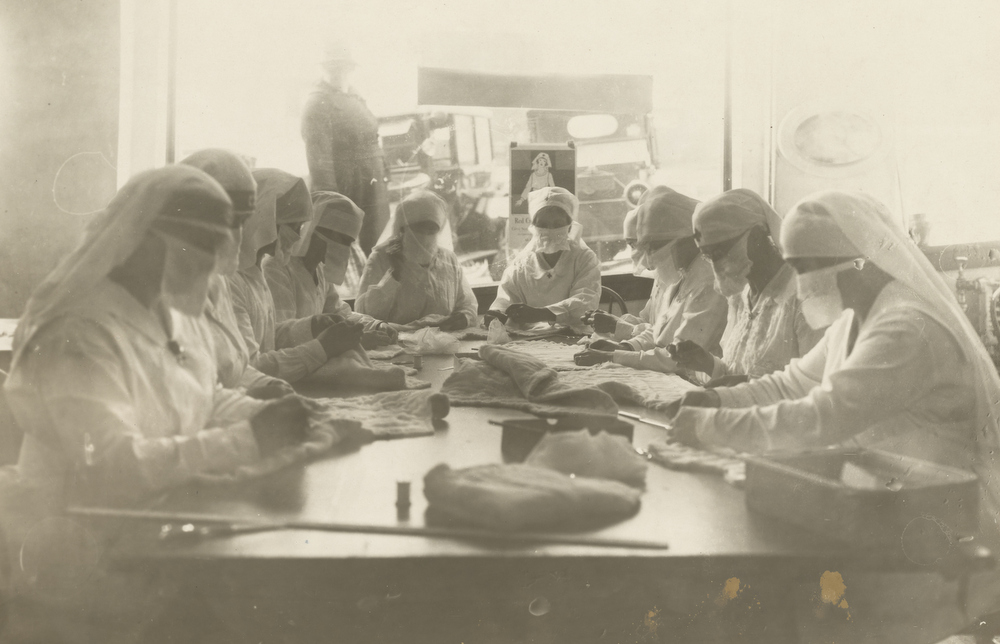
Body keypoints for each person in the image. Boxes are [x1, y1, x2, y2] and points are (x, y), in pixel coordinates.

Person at [670, 190, 1000, 644]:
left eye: (808, 269)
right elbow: (791, 384)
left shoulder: (907, 328)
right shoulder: (855, 316)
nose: (800, 281)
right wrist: (714, 403)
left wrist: (704, 429)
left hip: (947, 518)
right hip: (886, 496)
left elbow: (823, 416)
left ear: (859, 263)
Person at [0, 167, 314, 642]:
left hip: (155, 536)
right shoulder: (79, 333)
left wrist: (261, 416)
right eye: (200, 243)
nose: (212, 259)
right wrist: (248, 440)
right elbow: (110, 466)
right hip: (80, 569)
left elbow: (199, 397)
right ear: (143, 239)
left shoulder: (171, 315)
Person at [669, 189, 824, 386]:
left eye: (720, 252)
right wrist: (708, 364)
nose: (716, 266)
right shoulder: (742, 296)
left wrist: (748, 384)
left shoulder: (804, 296)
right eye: (708, 256)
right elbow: (735, 370)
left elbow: (819, 388)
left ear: (757, 236)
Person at [227, 168, 363, 383]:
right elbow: (249, 369)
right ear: (263, 220)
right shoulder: (232, 281)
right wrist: (322, 347)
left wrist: (312, 325)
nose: (299, 235)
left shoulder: (254, 274)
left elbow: (268, 337)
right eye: (293, 226)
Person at [179, 149, 295, 398]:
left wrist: (266, 385)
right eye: (230, 220)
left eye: (243, 222)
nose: (238, 234)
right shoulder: (153, 294)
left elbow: (232, 367)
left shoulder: (214, 280)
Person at [575, 186, 728, 372]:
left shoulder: (708, 282)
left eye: (654, 247)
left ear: (685, 239)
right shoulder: (681, 273)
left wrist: (616, 353)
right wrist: (624, 348)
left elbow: (678, 355)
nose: (649, 259)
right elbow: (658, 333)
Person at [263, 190, 396, 348]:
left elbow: (339, 313)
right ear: (315, 231)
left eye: (349, 242)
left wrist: (375, 325)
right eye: (342, 240)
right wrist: (353, 341)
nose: (344, 249)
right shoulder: (277, 268)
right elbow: (283, 336)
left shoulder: (319, 270)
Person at [301, 40, 389, 255]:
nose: (338, 73)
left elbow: (371, 137)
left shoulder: (355, 97)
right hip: (346, 184)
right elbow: (319, 160)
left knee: (379, 242)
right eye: (332, 67)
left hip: (371, 180)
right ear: (322, 69)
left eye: (343, 67)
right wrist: (332, 200)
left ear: (351, 69)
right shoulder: (317, 103)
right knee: (341, 247)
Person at [355, 190, 477, 330]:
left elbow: (468, 305)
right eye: (418, 230)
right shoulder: (381, 258)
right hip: (394, 341)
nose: (424, 238)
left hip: (440, 340)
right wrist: (393, 277)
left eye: (431, 231)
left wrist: (463, 318)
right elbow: (363, 313)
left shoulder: (448, 260)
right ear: (403, 229)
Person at [484, 187, 600, 330]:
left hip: (574, 336)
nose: (549, 230)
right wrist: (497, 312)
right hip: (529, 337)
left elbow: (585, 302)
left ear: (569, 226)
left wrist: (543, 314)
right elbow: (506, 296)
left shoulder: (584, 258)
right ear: (533, 226)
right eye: (543, 225)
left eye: (557, 224)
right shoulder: (522, 263)